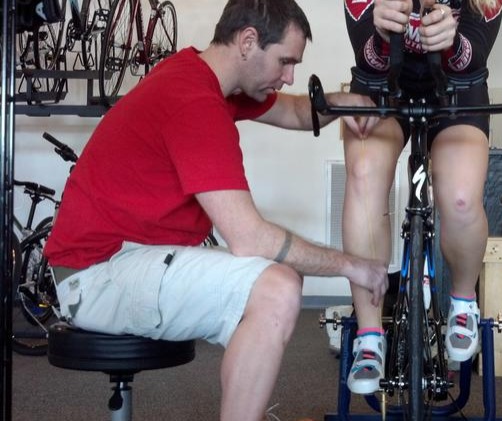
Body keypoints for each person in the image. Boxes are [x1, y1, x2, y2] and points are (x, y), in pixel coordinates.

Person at [43, 1, 388, 420]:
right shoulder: (194, 102)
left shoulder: (207, 81)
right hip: (97, 276)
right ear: (248, 41)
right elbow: (250, 239)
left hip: (125, 259)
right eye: (285, 61)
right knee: (276, 288)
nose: (289, 76)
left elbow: (298, 112)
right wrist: (353, 266)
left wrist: (346, 103)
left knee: (277, 281)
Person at [341, 0, 502, 394]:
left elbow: (475, 56)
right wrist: (380, 37)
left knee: (462, 198)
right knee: (364, 177)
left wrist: (452, 42)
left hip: (458, 93)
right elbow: (366, 58)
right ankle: (369, 332)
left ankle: (463, 302)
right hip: (382, 88)